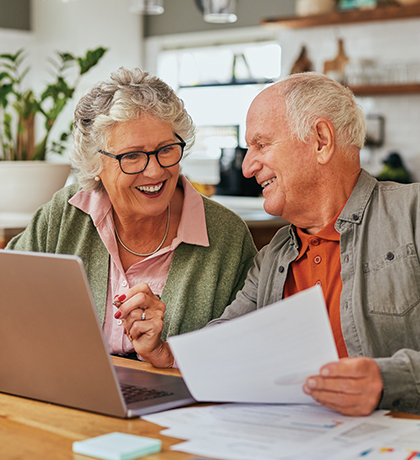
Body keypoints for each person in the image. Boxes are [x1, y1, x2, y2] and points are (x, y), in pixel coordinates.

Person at [154, 71, 420, 417]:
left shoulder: (411, 214)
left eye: (261, 145)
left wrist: (387, 381)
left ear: (321, 140)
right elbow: (226, 341)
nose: (248, 167)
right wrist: (167, 353)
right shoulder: (273, 255)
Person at [6, 67, 257, 367]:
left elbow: (248, 351)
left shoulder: (226, 235)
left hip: (181, 408)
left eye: (166, 149)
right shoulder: (65, 214)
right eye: (132, 156)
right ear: (94, 163)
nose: (154, 171)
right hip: (67, 393)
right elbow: (8, 297)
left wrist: (166, 353)